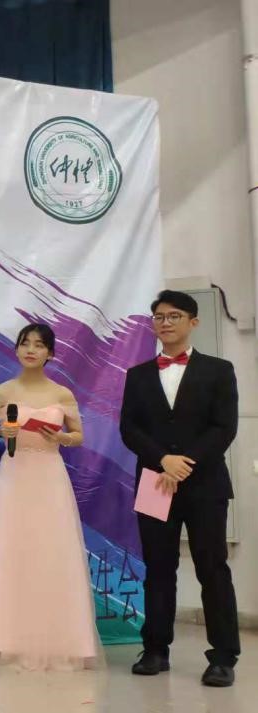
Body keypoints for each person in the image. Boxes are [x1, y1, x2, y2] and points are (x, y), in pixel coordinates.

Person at [120, 290, 239, 687]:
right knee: (157, 568)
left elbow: (224, 427)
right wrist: (162, 460)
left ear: (193, 322)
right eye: (159, 316)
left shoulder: (219, 370)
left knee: (212, 568)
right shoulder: (137, 374)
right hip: (154, 483)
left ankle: (223, 656)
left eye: (174, 315)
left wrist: (183, 462)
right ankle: (155, 649)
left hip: (205, 484)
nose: (165, 322)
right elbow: (129, 428)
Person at [0, 323, 103, 671]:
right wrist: (2, 429)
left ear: (50, 353)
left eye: (39, 345)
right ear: (17, 349)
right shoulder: (2, 391)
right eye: (25, 343)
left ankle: (63, 640)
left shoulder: (62, 394)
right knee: (11, 551)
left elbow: (78, 435)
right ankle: (4, 639)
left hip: (50, 476)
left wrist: (61, 438)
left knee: (52, 552)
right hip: (13, 476)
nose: (31, 350)